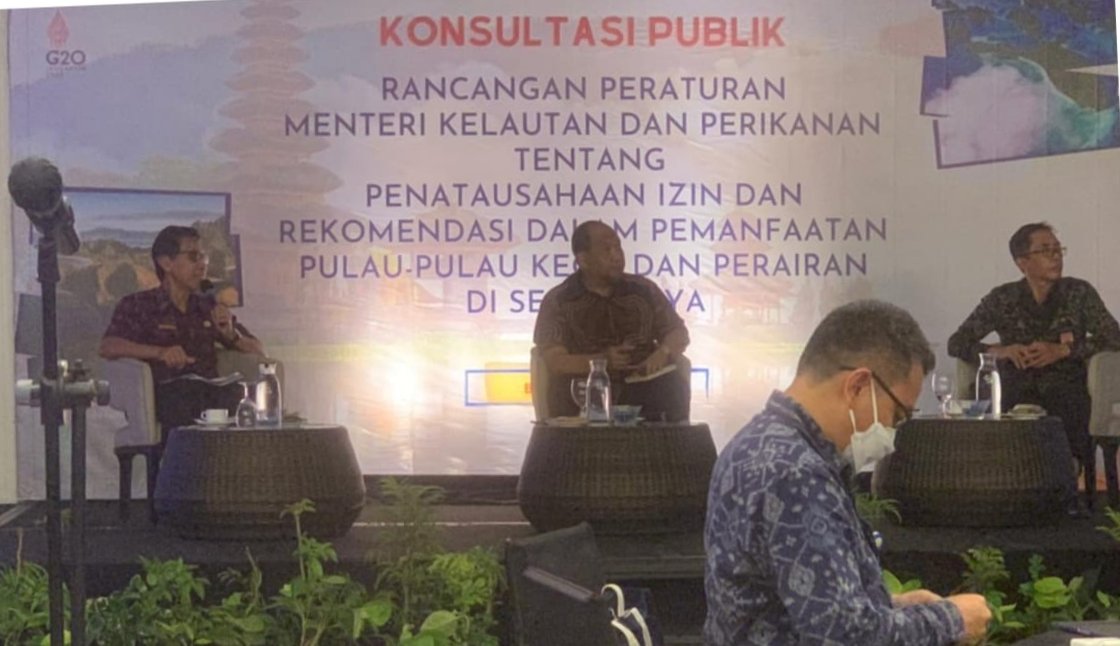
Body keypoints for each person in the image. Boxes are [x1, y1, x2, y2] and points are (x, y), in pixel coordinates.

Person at [705, 300, 991, 645]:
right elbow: (843, 636)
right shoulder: (797, 474)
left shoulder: (756, 442)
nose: (892, 433)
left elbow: (801, 604)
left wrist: (890, 606)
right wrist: (951, 620)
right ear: (857, 386)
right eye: (897, 415)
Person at [948, 222, 1120, 504]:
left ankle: (1068, 472)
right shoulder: (1002, 298)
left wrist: (1064, 350)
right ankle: (1001, 480)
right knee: (997, 391)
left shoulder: (1078, 292)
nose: (1056, 256)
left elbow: (1114, 337)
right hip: (1015, 380)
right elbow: (957, 342)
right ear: (1022, 262)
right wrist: (1000, 351)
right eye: (1045, 250)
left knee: (1067, 395)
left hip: (1066, 381)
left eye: (1058, 249)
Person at [99, 225, 264, 433]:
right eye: (193, 257)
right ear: (166, 263)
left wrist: (230, 334)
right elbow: (108, 346)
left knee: (244, 397)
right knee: (185, 394)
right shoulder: (139, 305)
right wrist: (160, 353)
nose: (202, 265)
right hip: (169, 396)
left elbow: (257, 350)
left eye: (203, 257)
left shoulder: (207, 307)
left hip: (212, 394)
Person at [533, 220, 690, 421]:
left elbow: (679, 332)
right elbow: (556, 361)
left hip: (643, 386)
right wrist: (601, 362)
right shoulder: (559, 300)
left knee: (672, 385)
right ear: (583, 260)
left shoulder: (644, 290)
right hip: (585, 390)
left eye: (618, 247)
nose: (617, 256)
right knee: (569, 390)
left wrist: (663, 353)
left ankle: (671, 440)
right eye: (607, 249)